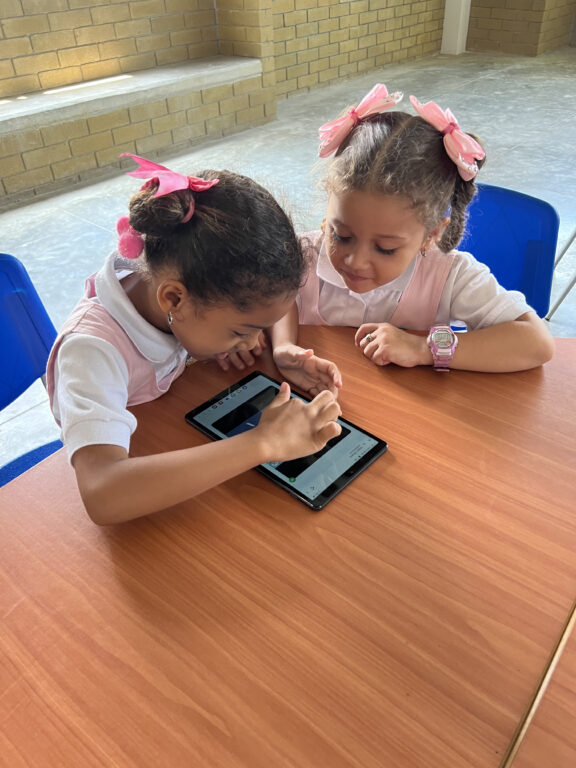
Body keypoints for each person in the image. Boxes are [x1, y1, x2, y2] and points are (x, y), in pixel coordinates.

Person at [47, 154, 342, 525]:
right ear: (174, 299)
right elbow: (103, 493)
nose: (251, 341)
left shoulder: (174, 300)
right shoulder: (91, 352)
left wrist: (270, 347)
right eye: (240, 330)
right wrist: (262, 443)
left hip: (163, 434)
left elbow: (269, 307)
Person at [270, 84, 554, 379]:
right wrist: (281, 344)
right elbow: (278, 298)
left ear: (431, 236)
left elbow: (536, 342)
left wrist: (423, 349)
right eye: (341, 235)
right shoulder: (301, 255)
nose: (354, 261)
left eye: (385, 248)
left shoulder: (448, 275)